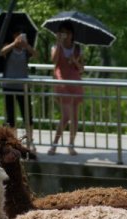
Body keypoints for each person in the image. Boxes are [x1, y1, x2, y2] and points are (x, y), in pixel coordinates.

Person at [48, 21, 84, 156]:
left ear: (72, 34)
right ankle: (54, 145)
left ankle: (71, 145)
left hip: (75, 83)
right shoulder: (55, 47)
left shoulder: (78, 48)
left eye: (68, 33)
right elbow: (54, 61)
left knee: (74, 117)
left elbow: (81, 69)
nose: (66, 35)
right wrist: (58, 43)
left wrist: (74, 61)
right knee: (66, 116)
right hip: (62, 83)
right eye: (63, 32)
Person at [0, 27, 38, 152]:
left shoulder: (25, 50)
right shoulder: (9, 47)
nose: (19, 36)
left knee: (27, 115)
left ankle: (30, 141)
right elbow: (1, 52)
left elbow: (36, 55)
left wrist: (26, 46)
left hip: (23, 86)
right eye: (17, 34)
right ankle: (13, 142)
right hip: (8, 86)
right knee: (10, 117)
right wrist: (14, 44)